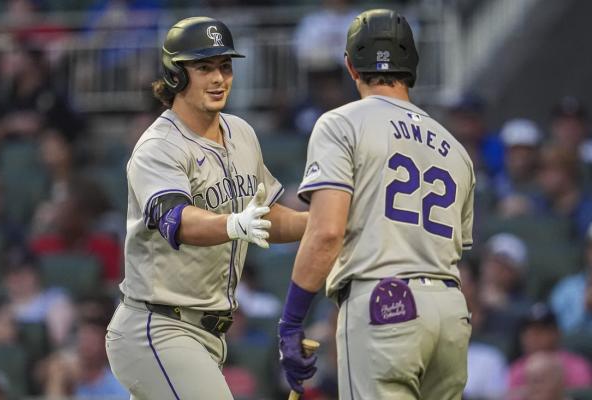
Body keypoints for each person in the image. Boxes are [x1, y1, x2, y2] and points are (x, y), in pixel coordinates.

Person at [105, 16, 307, 399]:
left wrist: (318, 224)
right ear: (176, 75)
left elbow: (265, 217)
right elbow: (177, 220)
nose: (218, 78)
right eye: (204, 67)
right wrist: (234, 224)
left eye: (224, 66)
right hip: (158, 327)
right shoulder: (159, 146)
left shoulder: (242, 132)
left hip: (208, 335)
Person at [277, 9, 475, 399]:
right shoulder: (456, 148)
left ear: (351, 66)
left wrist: (291, 320)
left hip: (385, 306)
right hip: (450, 311)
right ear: (412, 67)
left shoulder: (340, 123)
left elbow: (327, 230)